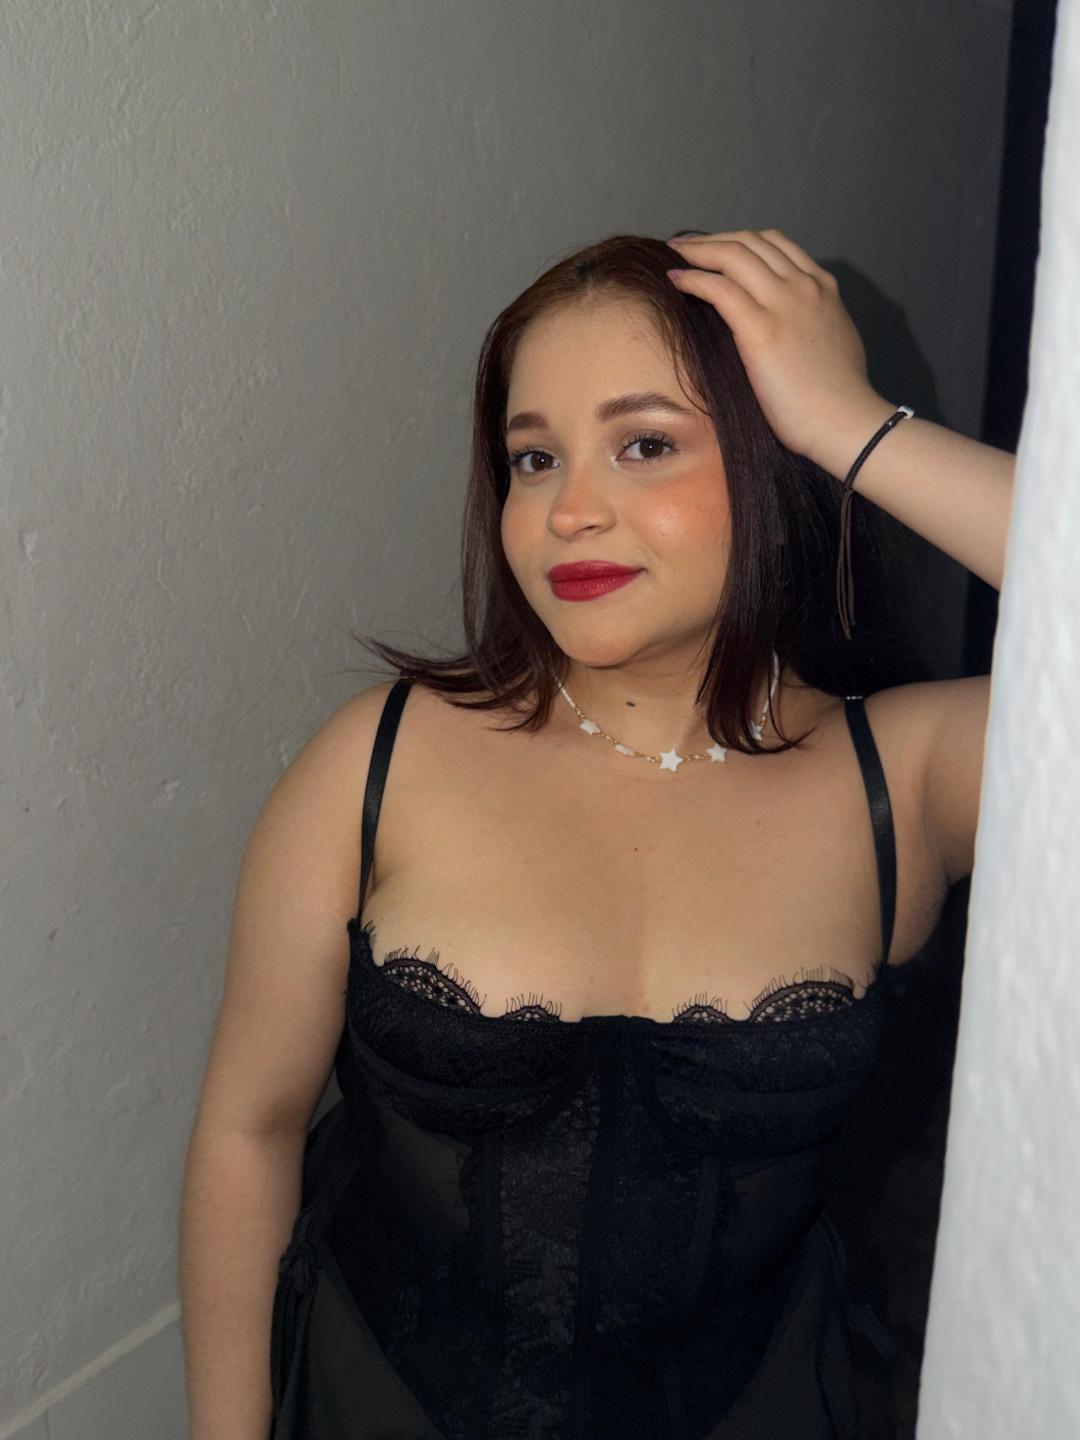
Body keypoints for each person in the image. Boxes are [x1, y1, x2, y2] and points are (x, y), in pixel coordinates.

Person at [179, 228, 1013, 1440]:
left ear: (779, 457)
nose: (569, 511)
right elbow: (248, 1130)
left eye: (645, 444)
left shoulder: (907, 777)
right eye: (533, 458)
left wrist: (854, 425)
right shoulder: (379, 760)